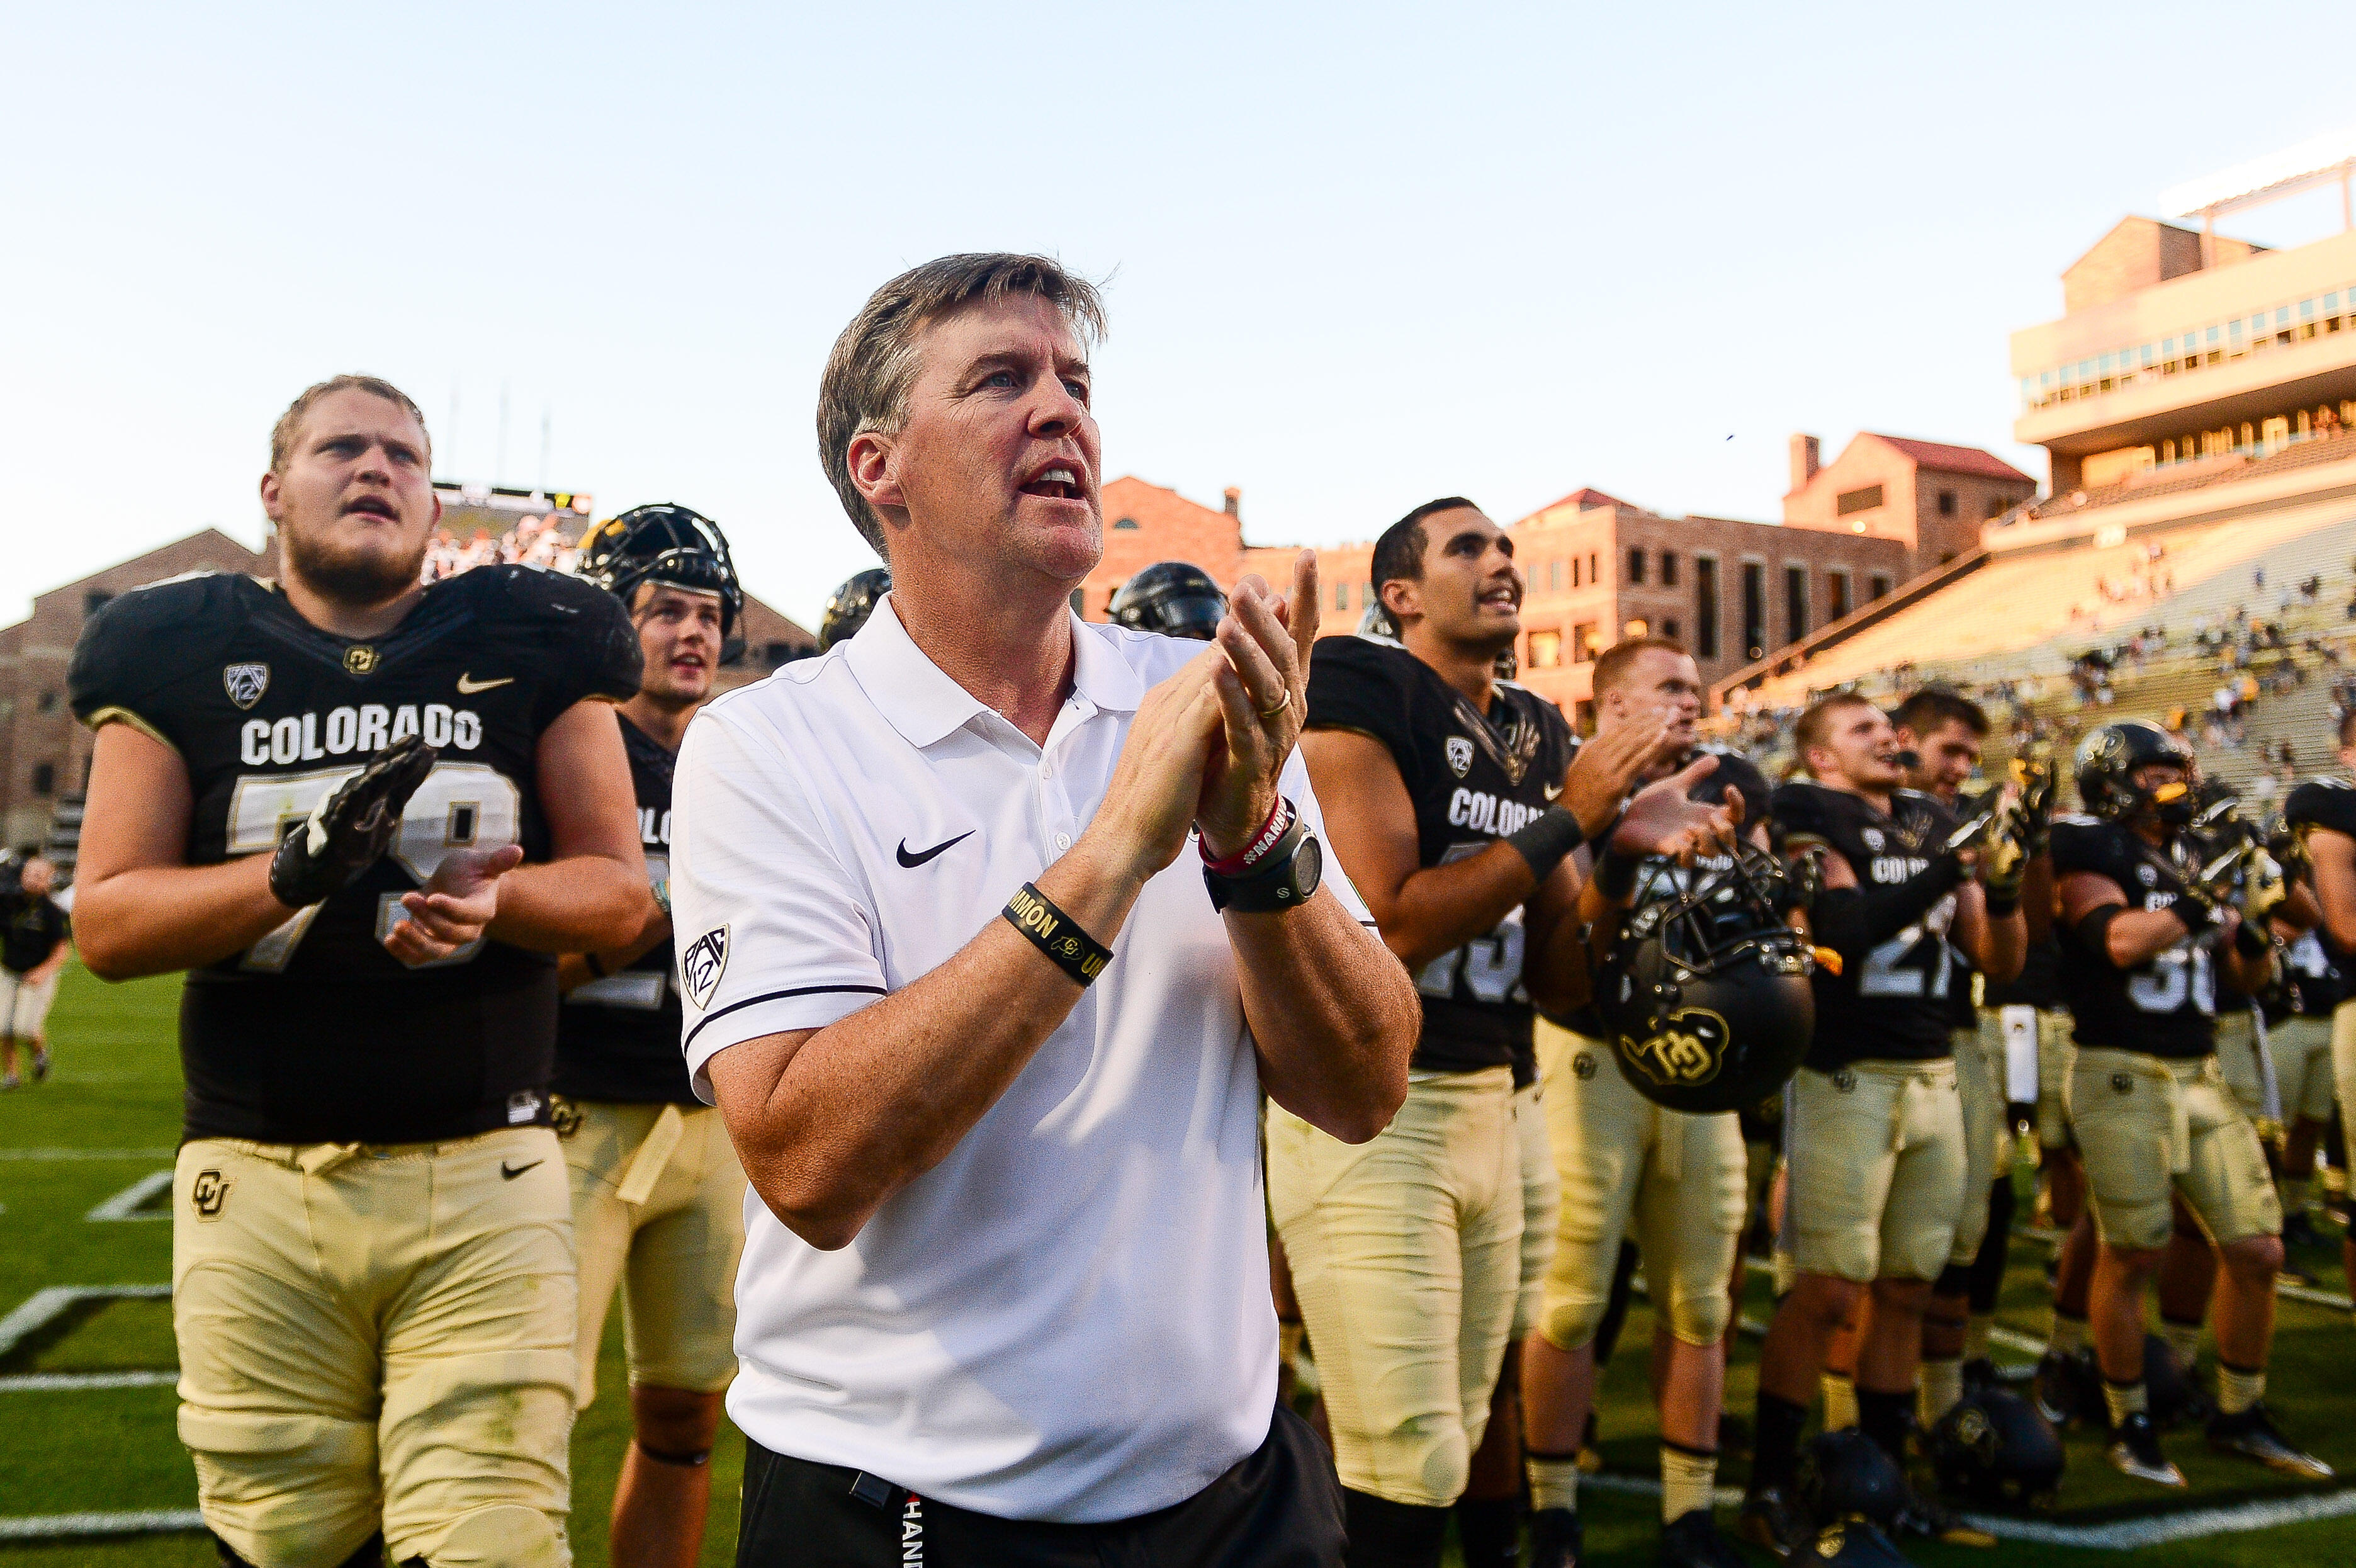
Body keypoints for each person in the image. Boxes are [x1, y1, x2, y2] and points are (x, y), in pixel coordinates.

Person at [678, 252, 1419, 1565]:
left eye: (1075, 382)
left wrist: (1249, 842)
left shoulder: (1202, 695)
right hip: (902, 1509)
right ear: (878, 467)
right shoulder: (769, 744)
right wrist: (1108, 858)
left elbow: (1362, 1085)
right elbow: (805, 1163)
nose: (1061, 412)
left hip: (1231, 1499)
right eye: (999, 381)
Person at [68, 373, 651, 1568]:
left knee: (491, 1542)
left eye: (402, 454)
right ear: (274, 490)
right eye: (343, 446)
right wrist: (294, 872)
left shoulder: (526, 638)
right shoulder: (176, 652)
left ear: (436, 509)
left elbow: (618, 891)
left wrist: (499, 903)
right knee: (285, 1546)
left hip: (484, 1172)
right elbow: (111, 923)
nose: (375, 468)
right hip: (255, 1174)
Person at [1288, 505, 1728, 1568]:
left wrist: (1616, 856)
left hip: (1505, 1093)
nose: (1502, 564)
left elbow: (1562, 976)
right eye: (1467, 548)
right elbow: (1389, 923)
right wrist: (1571, 820)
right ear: (1400, 595)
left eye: (1505, 549)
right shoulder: (1360, 686)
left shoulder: (1533, 728)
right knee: (1409, 1452)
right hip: (1374, 1110)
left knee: (1477, 1417)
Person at [1739, 693, 2024, 1558]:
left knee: (1905, 1282)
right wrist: (1952, 862)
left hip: (1935, 1066)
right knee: (1828, 1286)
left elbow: (1993, 956)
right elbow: (1841, 927)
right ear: (1820, 755)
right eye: (1863, 729)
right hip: (1845, 1070)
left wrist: (2002, 879)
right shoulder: (1806, 808)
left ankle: (1880, 1476)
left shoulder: (1930, 817)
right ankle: (1773, 1480)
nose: (1888, 740)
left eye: (1887, 729)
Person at [1519, 636, 1767, 1568]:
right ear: (1610, 703)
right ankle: (1552, 1512)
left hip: (1699, 1067)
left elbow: (1760, 920)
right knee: (1573, 1295)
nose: (1691, 701)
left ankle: (1687, 1514)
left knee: (1700, 1298)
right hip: (1591, 1054)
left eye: (1697, 687)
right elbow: (1566, 954)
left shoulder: (1734, 783)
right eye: (1668, 686)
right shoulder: (1571, 789)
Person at [555, 504, 752, 1568]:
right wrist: (632, 920)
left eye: (709, 612)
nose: (694, 633)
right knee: (522, 1418)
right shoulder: (566, 746)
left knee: (686, 1419)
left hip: (711, 1124)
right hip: (571, 1113)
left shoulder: (742, 757)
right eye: (665, 608)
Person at [2054, 722, 2327, 1487]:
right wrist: (2206, 898)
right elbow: (2116, 942)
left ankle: (2239, 1411)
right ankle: (2127, 1418)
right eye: (2155, 772)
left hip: (2198, 1066)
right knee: (2132, 1248)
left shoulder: (2183, 851)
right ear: (2111, 780)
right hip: (2118, 1068)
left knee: (2255, 1247)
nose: (2177, 782)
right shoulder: (2088, 846)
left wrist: (2256, 930)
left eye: (2180, 769)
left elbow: (2240, 979)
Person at [1889, 689, 2015, 1432]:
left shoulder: (1960, 824)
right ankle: (1854, 1434)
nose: (1961, 769)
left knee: (1954, 1237)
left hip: (1951, 1037)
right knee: (1855, 1259)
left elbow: (1996, 958)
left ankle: (1939, 1418)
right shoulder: (1845, 810)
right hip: (1858, 1047)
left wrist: (2003, 877)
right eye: (1951, 751)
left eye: (1971, 755)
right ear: (1906, 738)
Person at [0, 853, 71, 1088]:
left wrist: (43, 971)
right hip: (9, 971)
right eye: (29, 874)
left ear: (49, 880)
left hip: (38, 975)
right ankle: (12, 1076)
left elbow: (62, 949)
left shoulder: (51, 912)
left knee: (25, 1028)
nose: (33, 879)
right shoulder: (8, 903)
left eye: (39, 876)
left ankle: (40, 1053)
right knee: (3, 1027)